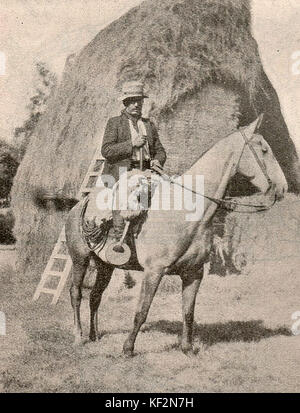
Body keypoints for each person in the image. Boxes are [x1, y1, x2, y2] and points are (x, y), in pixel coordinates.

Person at [101, 81, 166, 249]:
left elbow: (160, 150)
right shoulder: (115, 123)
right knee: (125, 194)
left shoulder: (149, 125)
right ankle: (118, 241)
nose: (137, 104)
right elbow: (106, 150)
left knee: (167, 194)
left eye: (140, 100)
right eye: (132, 100)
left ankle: (152, 240)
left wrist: (158, 160)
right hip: (122, 171)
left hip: (146, 171)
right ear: (125, 102)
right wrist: (132, 144)